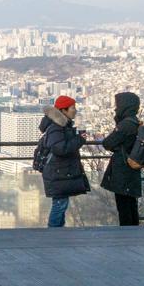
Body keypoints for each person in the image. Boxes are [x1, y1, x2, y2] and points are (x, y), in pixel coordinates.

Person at [39, 96, 90, 227]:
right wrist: (79, 140)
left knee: (61, 204)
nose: (75, 111)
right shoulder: (57, 127)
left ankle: (58, 233)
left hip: (59, 171)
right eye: (73, 108)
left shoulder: (59, 125)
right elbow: (60, 148)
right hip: (58, 171)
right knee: (60, 205)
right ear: (63, 110)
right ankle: (53, 235)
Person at [100, 91, 144, 226]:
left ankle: (127, 234)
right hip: (131, 169)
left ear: (125, 106)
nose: (115, 108)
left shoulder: (125, 125)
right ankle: (133, 233)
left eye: (118, 105)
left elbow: (108, 143)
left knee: (123, 205)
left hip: (123, 170)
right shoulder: (135, 122)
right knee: (131, 204)